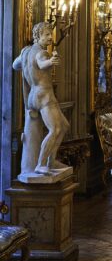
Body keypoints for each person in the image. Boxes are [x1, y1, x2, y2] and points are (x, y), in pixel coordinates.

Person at [13, 21, 71, 179]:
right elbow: (41, 62)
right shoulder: (42, 53)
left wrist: (28, 68)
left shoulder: (26, 52)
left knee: (64, 125)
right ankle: (42, 163)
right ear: (38, 36)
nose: (50, 38)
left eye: (50, 35)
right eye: (46, 35)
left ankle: (51, 161)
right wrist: (50, 62)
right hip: (44, 96)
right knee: (55, 129)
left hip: (34, 95)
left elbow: (15, 65)